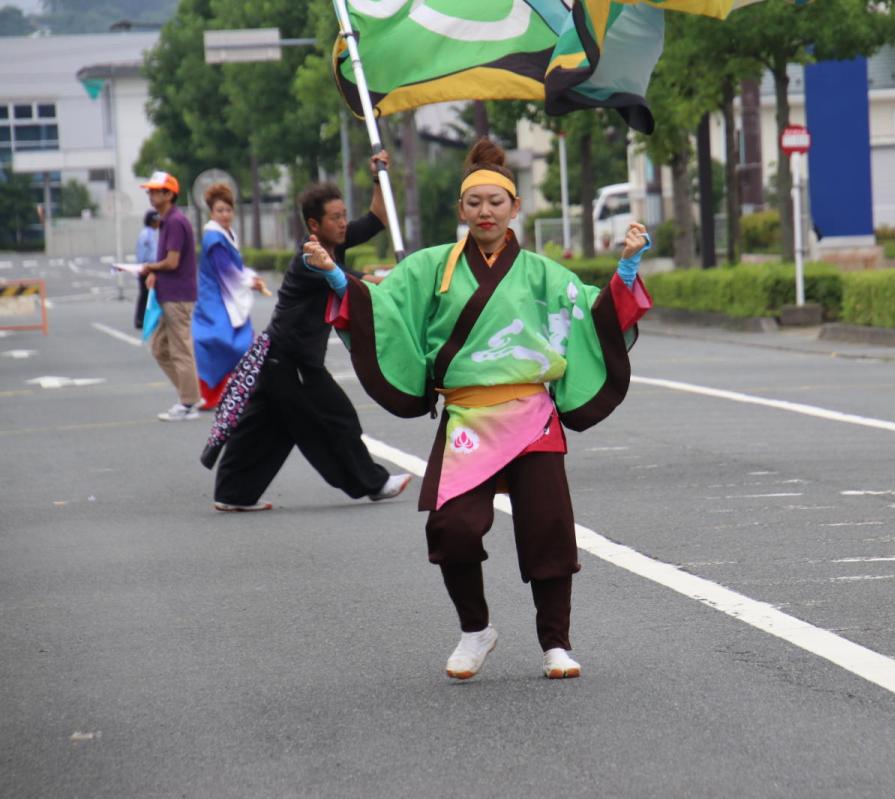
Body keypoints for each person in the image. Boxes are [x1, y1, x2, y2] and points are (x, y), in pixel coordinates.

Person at [301, 139, 653, 680]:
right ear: (460, 211)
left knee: (548, 529)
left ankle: (555, 643)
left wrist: (626, 269)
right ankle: (475, 629)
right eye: (474, 203)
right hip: (467, 415)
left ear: (515, 208)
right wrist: (331, 275)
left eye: (496, 202)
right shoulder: (428, 269)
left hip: (532, 416)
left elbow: (593, 312)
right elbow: (381, 309)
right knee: (453, 528)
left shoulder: (542, 273)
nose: (485, 212)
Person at [200, 151, 410, 513]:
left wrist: (378, 176)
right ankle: (372, 483)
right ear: (315, 225)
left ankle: (233, 492)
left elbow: (377, 217)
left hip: (281, 357)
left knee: (267, 428)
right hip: (292, 359)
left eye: (344, 215)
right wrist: (403, 279)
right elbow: (356, 283)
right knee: (337, 418)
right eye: (335, 218)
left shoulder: (334, 242)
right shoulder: (311, 257)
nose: (344, 223)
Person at [192, 183, 268, 411]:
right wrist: (249, 282)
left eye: (228, 210)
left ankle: (235, 392)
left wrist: (249, 278)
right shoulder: (214, 238)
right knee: (226, 342)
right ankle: (217, 394)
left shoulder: (224, 234)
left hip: (224, 295)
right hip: (215, 299)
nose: (225, 215)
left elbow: (234, 269)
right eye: (220, 211)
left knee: (235, 341)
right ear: (211, 213)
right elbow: (226, 271)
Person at [139, 171, 201, 422]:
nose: (151, 195)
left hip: (177, 296)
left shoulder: (174, 221)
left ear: (169, 194)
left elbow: (173, 261)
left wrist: (151, 268)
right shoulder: (167, 220)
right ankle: (190, 396)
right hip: (169, 293)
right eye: (150, 191)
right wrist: (155, 272)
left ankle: (188, 403)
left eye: (156, 191)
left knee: (179, 349)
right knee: (159, 348)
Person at [133, 209, 159, 330]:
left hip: (150, 267)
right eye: (156, 220)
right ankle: (140, 319)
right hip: (147, 268)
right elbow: (143, 253)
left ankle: (145, 318)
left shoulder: (152, 233)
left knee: (148, 294)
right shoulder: (147, 234)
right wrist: (143, 266)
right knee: (146, 294)